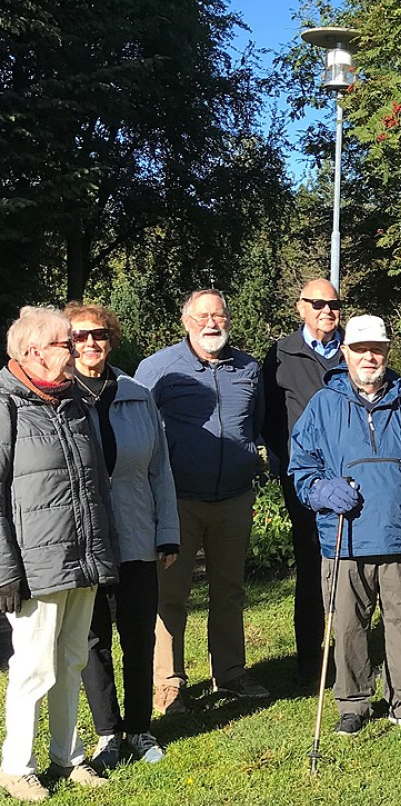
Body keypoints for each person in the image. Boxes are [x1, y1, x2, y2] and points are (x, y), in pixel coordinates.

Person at [290, 314, 401, 736]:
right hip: (345, 537)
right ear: (345, 353)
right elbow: (301, 468)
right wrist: (321, 490)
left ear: (388, 351)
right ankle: (353, 702)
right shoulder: (323, 405)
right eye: (360, 349)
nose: (369, 357)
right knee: (349, 625)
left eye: (377, 349)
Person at [0, 307, 118, 800]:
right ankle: (16, 767)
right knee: (33, 667)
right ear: (33, 352)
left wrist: (104, 551)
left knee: (71, 659)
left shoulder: (73, 403)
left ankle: (68, 756)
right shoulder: (6, 403)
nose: (74, 352)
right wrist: (5, 570)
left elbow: (96, 484)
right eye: (65, 344)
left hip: (82, 558)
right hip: (34, 565)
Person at [135, 289, 268, 712]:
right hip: (178, 501)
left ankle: (230, 673)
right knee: (170, 595)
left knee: (229, 590)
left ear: (229, 318)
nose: (212, 323)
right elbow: (138, 427)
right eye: (202, 316)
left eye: (219, 315)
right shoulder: (158, 368)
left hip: (234, 498)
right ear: (186, 321)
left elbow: (255, 424)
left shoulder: (248, 368)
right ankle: (168, 683)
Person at [67, 303, 179, 771]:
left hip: (136, 535)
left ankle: (139, 728)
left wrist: (167, 533)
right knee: (92, 639)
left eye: (99, 335)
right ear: (67, 344)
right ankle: (107, 732)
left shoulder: (137, 393)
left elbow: (160, 470)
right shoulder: (58, 397)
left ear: (111, 340)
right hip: (85, 541)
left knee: (138, 636)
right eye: (80, 336)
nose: (90, 343)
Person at [263, 278, 343, 684]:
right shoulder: (280, 355)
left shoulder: (354, 351)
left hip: (352, 477)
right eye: (318, 304)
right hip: (305, 481)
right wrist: (293, 464)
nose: (327, 311)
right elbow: (270, 419)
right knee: (312, 566)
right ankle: (312, 662)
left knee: (353, 566)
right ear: (301, 308)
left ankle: (352, 655)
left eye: (334, 305)